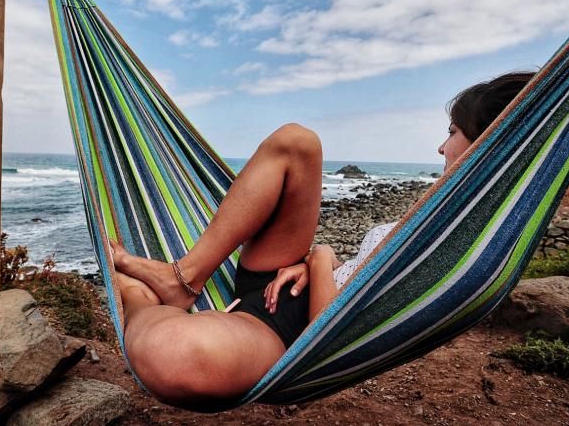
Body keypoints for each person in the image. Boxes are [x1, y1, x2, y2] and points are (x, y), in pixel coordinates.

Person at [110, 71, 535, 408]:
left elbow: (328, 333)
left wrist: (320, 257)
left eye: (453, 132)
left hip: (286, 332)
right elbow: (364, 274)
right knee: (296, 142)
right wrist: (319, 265)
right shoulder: (441, 213)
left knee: (177, 359)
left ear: (486, 144)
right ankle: (185, 278)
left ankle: (139, 297)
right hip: (284, 280)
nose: (442, 147)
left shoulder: (459, 248)